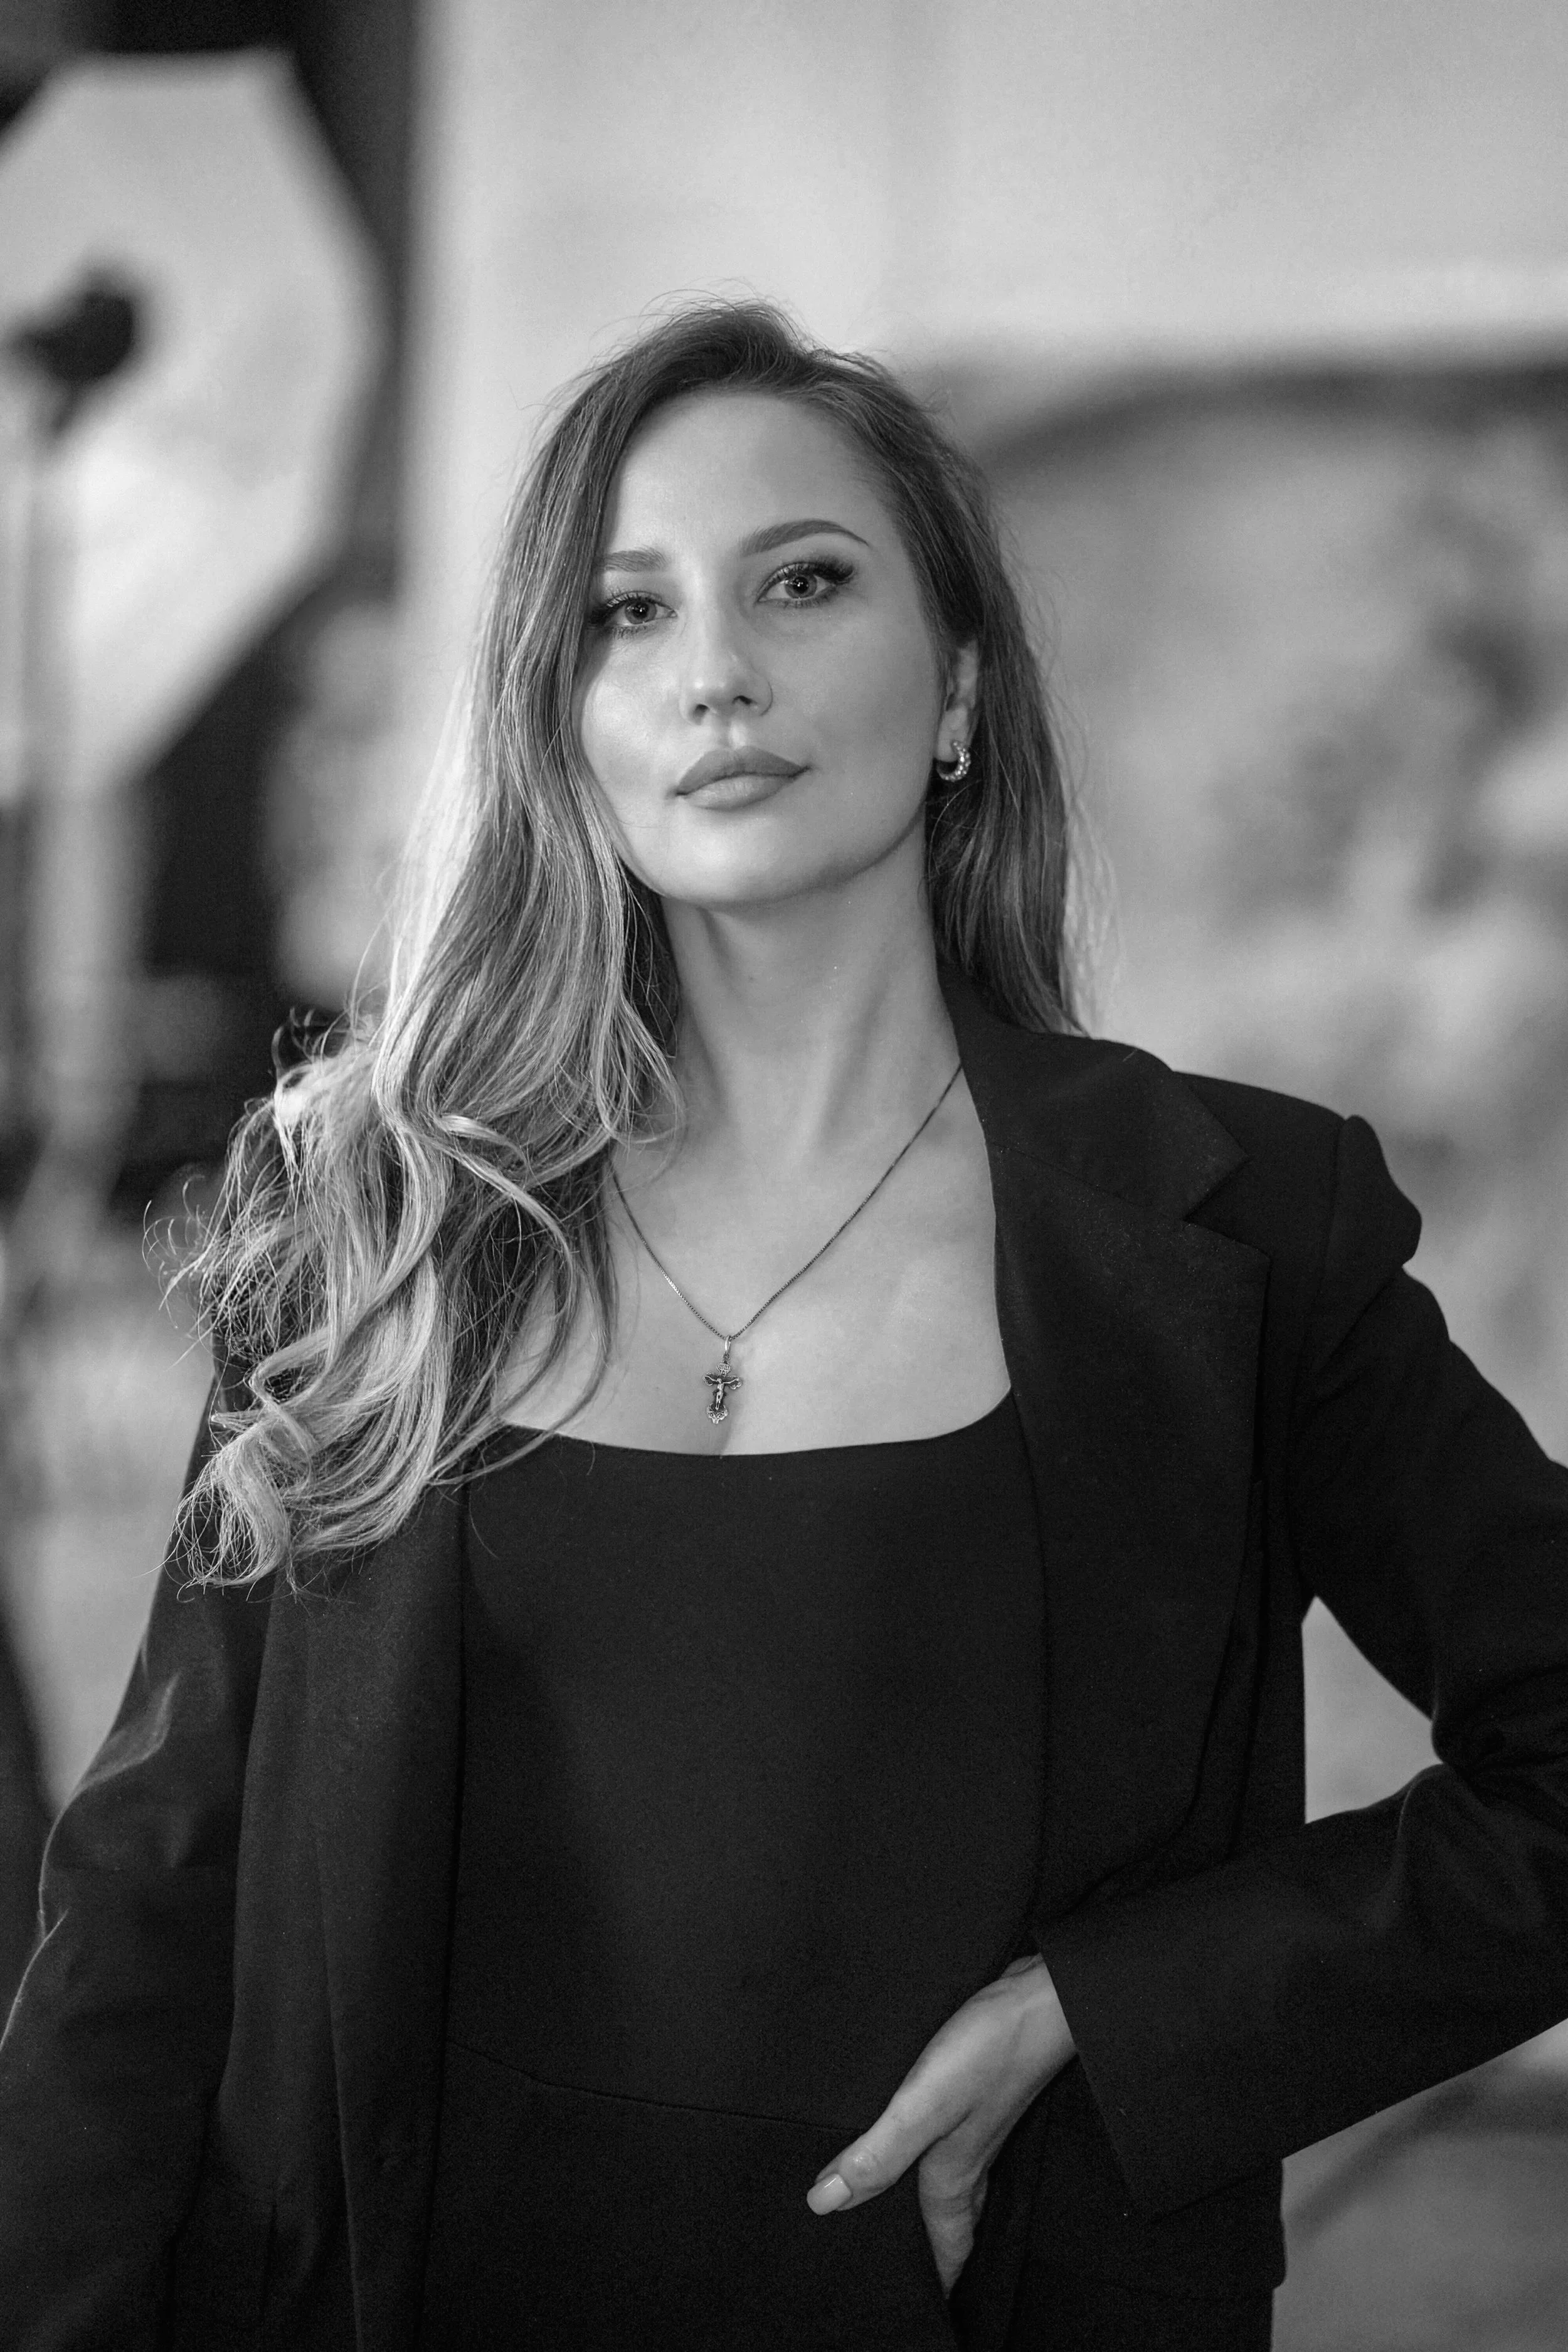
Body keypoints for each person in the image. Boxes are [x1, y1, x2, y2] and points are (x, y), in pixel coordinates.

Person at [2, 298, 1567, 2352]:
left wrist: (1111, 2014)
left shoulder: (1240, 1232)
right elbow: (153, 1901)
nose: (715, 673)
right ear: (553, 714)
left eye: (803, 583)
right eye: (624, 614)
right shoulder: (372, 1216)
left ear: (958, 687)